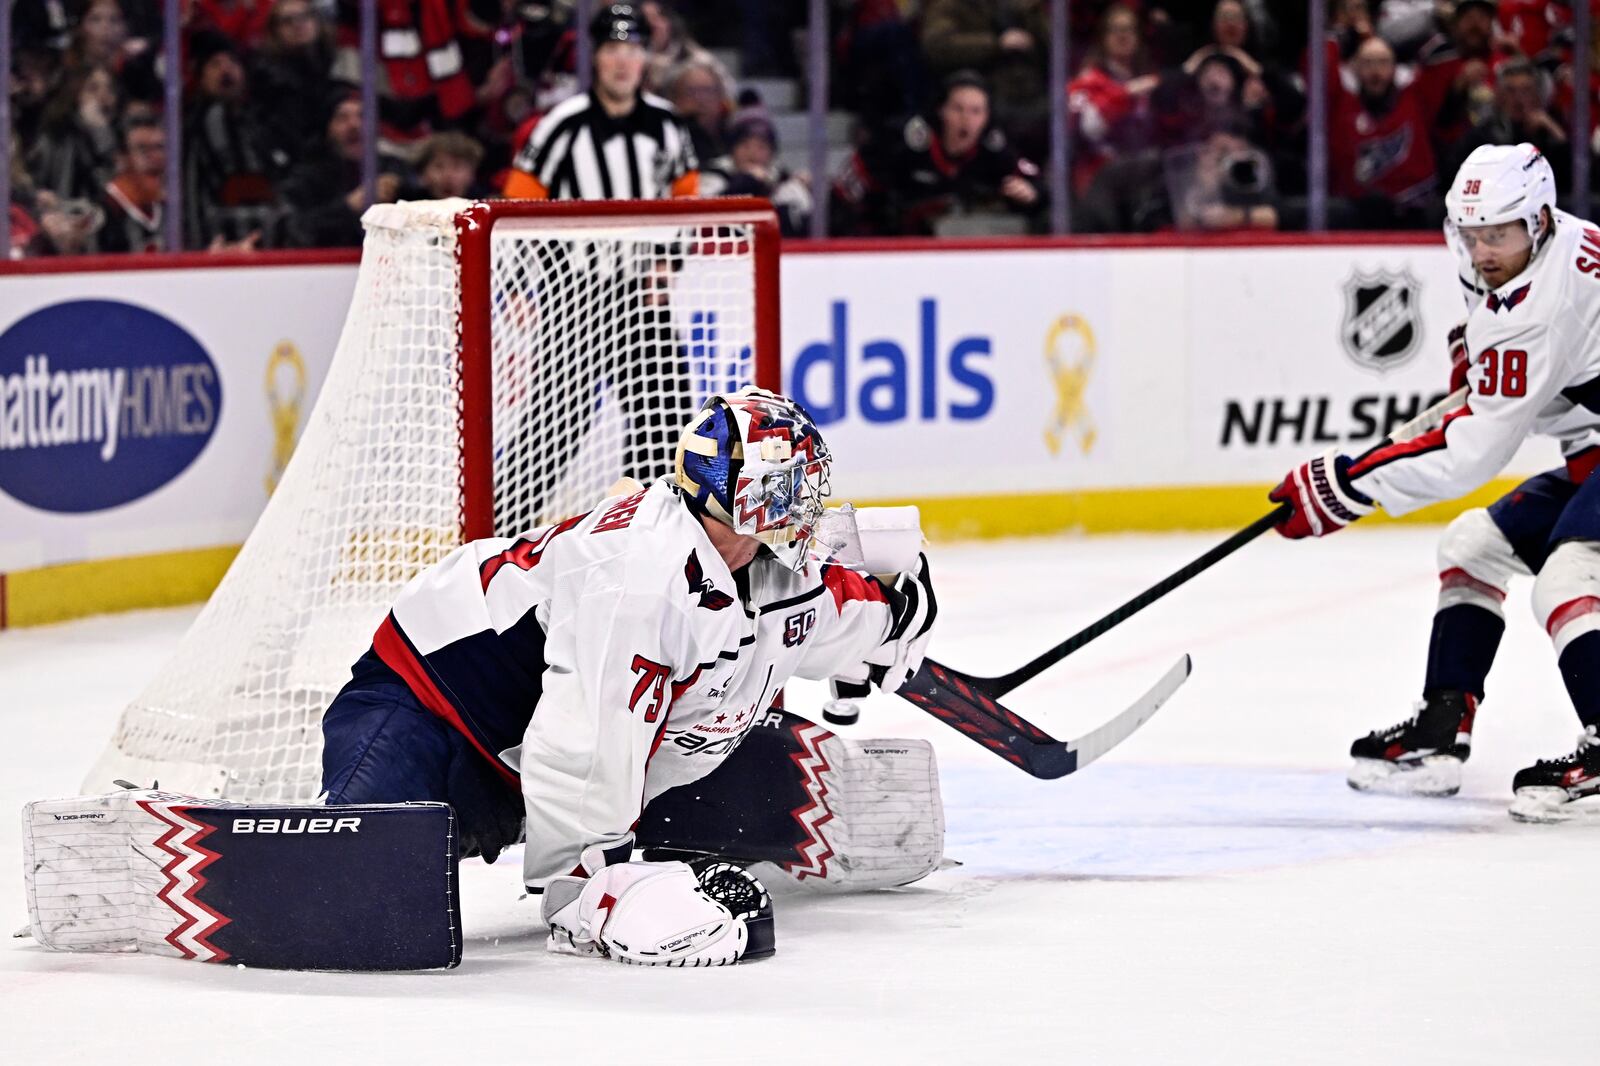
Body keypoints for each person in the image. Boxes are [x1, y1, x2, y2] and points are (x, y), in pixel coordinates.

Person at [318, 387, 939, 962]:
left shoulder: (772, 564)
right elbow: (586, 741)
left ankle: (644, 837)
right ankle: (350, 834)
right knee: (358, 888)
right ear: (745, 494)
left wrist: (898, 614)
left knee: (784, 774)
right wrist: (589, 884)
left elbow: (833, 608)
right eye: (794, 488)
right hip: (434, 709)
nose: (809, 506)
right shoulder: (637, 580)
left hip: (576, 759)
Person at [1268, 143, 1600, 823]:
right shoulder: (1554, 243)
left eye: (1499, 235)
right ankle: (1442, 726)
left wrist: (1347, 487)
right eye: (1472, 235)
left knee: (1571, 575)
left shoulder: (1538, 306)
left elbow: (1474, 451)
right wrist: (1480, 372)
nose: (1483, 252)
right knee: (1473, 545)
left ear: (1536, 221)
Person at [502, 3, 698, 201]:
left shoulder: (669, 123)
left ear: (644, 59)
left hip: (654, 233)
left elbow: (688, 204)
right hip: (581, 233)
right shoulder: (560, 125)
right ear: (595, 56)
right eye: (612, 49)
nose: (622, 63)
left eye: (632, 50)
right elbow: (518, 203)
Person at [831, 70, 1045, 237]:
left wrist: (1031, 193)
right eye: (957, 109)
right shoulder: (904, 141)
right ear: (941, 110)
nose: (966, 119)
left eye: (976, 111)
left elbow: (1035, 183)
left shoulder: (993, 147)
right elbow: (847, 191)